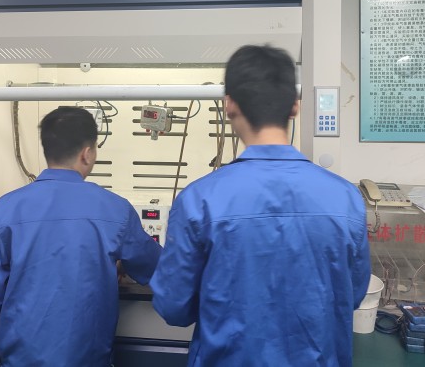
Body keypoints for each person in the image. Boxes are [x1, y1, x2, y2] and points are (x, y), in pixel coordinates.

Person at [150, 44, 371, 366]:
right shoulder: (345, 198)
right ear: (294, 106)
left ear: (229, 105)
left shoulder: (199, 200)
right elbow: (352, 295)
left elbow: (173, 307)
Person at [0, 106, 162, 367]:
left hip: (19, 359)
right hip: (87, 359)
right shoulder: (115, 209)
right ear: (87, 153)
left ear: (47, 150)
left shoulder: (6, 208)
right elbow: (156, 268)